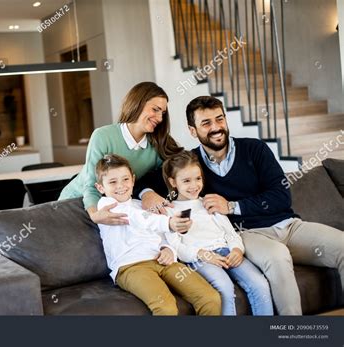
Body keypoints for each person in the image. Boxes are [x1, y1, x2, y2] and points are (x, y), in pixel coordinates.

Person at [138, 95, 344, 315]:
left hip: (289, 226)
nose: (216, 128)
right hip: (249, 234)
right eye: (206, 123)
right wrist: (146, 193)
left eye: (219, 119)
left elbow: (281, 197)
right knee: (277, 257)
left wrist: (232, 206)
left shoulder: (255, 149)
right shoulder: (191, 164)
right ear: (192, 130)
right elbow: (143, 181)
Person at [94, 154, 221, 316]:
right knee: (166, 307)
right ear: (100, 188)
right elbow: (137, 218)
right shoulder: (106, 206)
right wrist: (168, 223)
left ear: (133, 180)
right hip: (131, 267)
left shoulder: (141, 205)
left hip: (162, 261)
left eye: (125, 179)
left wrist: (168, 249)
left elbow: (159, 233)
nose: (121, 186)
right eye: (112, 182)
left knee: (210, 297)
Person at [162, 151, 273, 315]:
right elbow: (176, 246)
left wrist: (236, 249)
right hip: (200, 259)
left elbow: (231, 233)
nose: (194, 185)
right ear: (173, 182)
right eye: (186, 181)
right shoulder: (170, 211)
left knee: (259, 283)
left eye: (198, 179)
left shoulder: (209, 202)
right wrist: (204, 255)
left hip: (226, 251)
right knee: (224, 287)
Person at [58, 81, 183, 225]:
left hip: (115, 205)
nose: (160, 118)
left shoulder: (159, 143)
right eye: (155, 109)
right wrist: (94, 214)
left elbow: (168, 175)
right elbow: (92, 183)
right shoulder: (103, 136)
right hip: (79, 202)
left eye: (163, 113)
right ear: (137, 103)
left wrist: (147, 193)